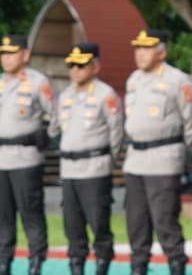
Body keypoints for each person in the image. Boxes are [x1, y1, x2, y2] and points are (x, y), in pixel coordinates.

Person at [124, 28, 192, 275]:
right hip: (135, 159)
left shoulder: (178, 80)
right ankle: (138, 267)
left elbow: (191, 124)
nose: (140, 53)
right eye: (138, 48)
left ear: (162, 53)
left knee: (165, 220)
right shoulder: (134, 80)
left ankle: (176, 264)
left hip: (164, 157)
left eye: (146, 49)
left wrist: (184, 157)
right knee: (136, 221)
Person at [57, 43, 124, 275]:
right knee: (72, 224)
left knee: (98, 223)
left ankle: (102, 266)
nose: (75, 70)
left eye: (81, 65)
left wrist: (107, 160)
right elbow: (58, 130)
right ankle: (76, 267)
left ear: (95, 67)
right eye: (72, 65)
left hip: (95, 167)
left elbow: (116, 134)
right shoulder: (65, 95)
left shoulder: (105, 95)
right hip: (69, 169)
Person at [0, 33, 57, 275]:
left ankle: (36, 259)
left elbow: (56, 115)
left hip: (25, 157)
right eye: (3, 53)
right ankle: (4, 260)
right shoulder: (1, 82)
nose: (6, 58)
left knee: (30, 212)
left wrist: (46, 137)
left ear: (25, 55)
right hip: (1, 158)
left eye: (11, 53)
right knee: (3, 215)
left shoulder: (37, 82)